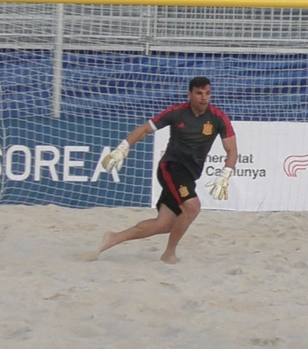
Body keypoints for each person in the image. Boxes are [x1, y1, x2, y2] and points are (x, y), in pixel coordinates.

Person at [97, 77, 237, 264]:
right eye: (199, 93)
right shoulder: (177, 113)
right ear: (190, 94)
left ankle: (113, 238)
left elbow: (232, 150)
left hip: (190, 174)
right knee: (193, 207)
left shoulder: (218, 118)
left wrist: (225, 175)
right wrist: (123, 148)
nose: (204, 98)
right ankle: (169, 253)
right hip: (171, 167)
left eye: (208, 93)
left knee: (163, 225)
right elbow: (145, 129)